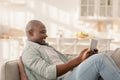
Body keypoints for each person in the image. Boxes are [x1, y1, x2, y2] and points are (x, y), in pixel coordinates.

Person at [21, 20, 120, 80]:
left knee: (103, 56)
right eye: (42, 32)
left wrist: (82, 57)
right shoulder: (28, 51)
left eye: (45, 32)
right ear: (30, 33)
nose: (46, 35)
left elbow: (66, 63)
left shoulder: (46, 47)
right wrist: (78, 60)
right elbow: (48, 73)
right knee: (100, 59)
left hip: (71, 75)